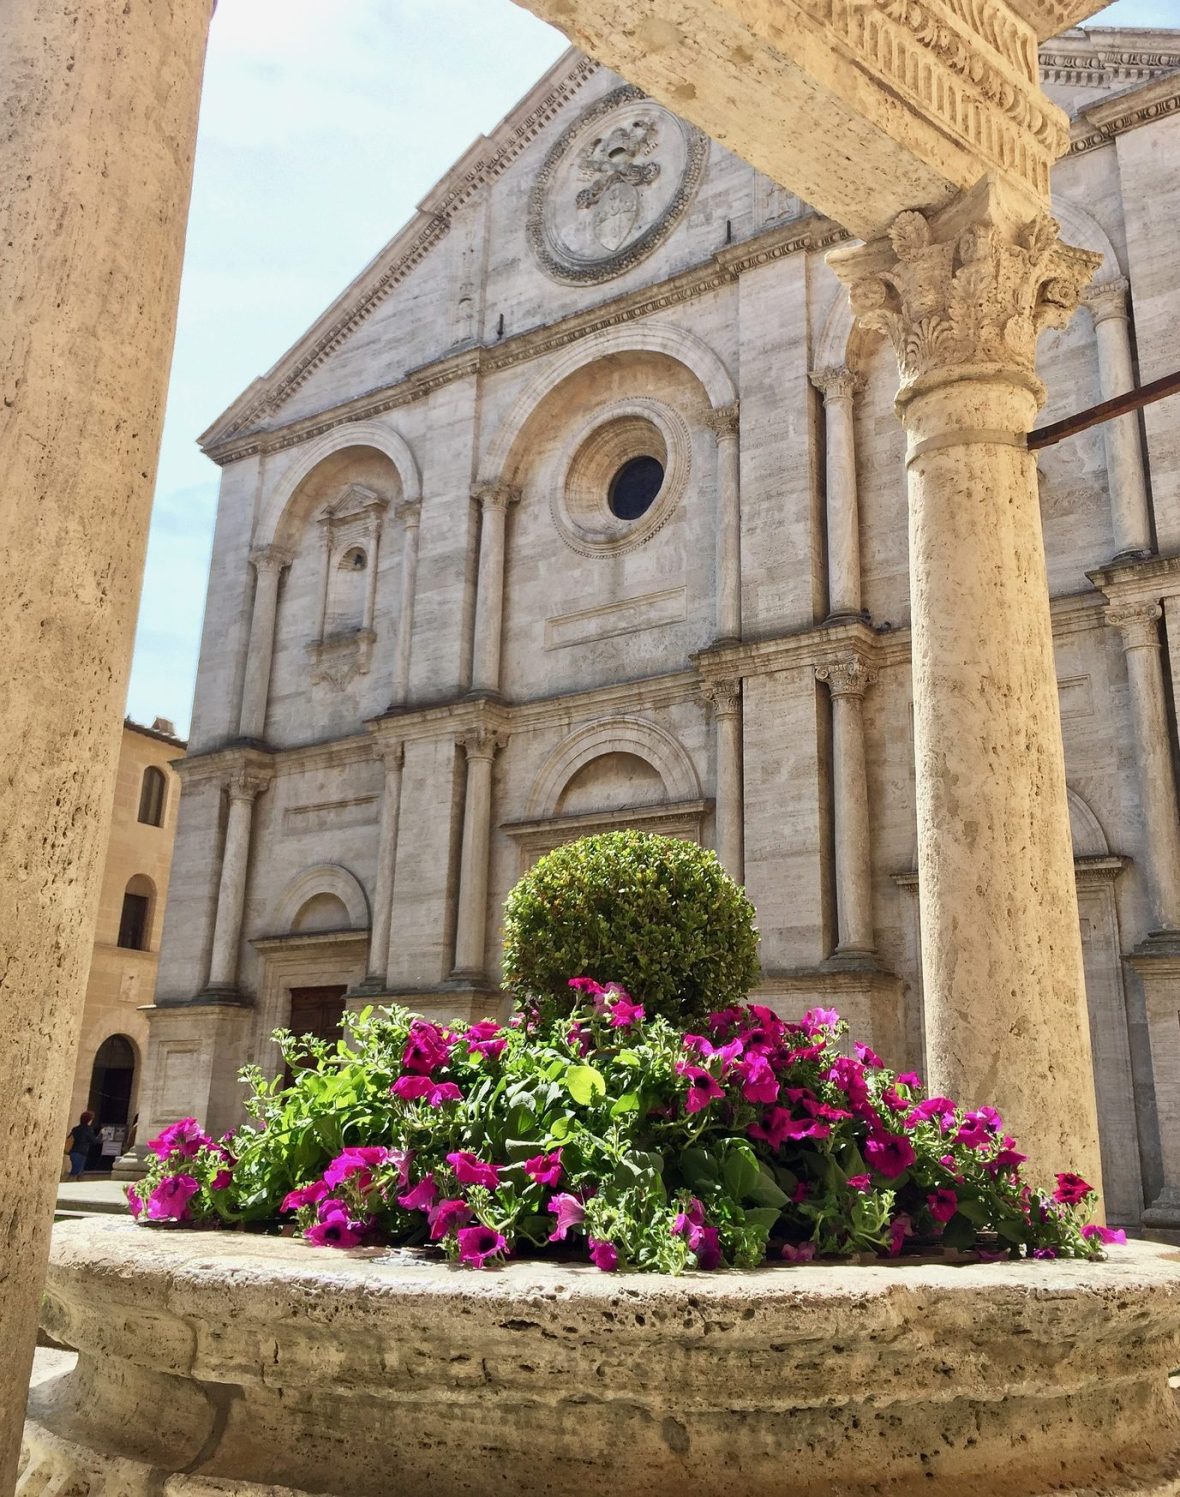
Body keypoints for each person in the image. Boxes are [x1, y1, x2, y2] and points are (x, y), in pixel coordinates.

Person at [65, 1110, 100, 1179]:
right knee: (75, 1172)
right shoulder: (88, 1129)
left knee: (78, 1172)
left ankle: (74, 1183)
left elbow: (70, 1138)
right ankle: (68, 1183)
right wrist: (101, 1135)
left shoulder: (75, 1129)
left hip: (73, 1152)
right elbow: (94, 1141)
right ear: (89, 1120)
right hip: (81, 1153)